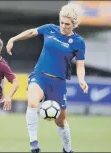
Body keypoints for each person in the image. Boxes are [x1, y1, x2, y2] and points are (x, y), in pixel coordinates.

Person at [6, 3, 88, 153]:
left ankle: (68, 150)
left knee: (61, 121)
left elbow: (80, 66)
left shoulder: (78, 42)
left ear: (74, 25)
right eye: (62, 22)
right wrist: (13, 39)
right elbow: (31, 32)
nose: (63, 26)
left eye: (67, 24)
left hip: (58, 83)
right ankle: (34, 143)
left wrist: (82, 79)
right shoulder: (50, 29)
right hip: (40, 76)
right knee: (32, 102)